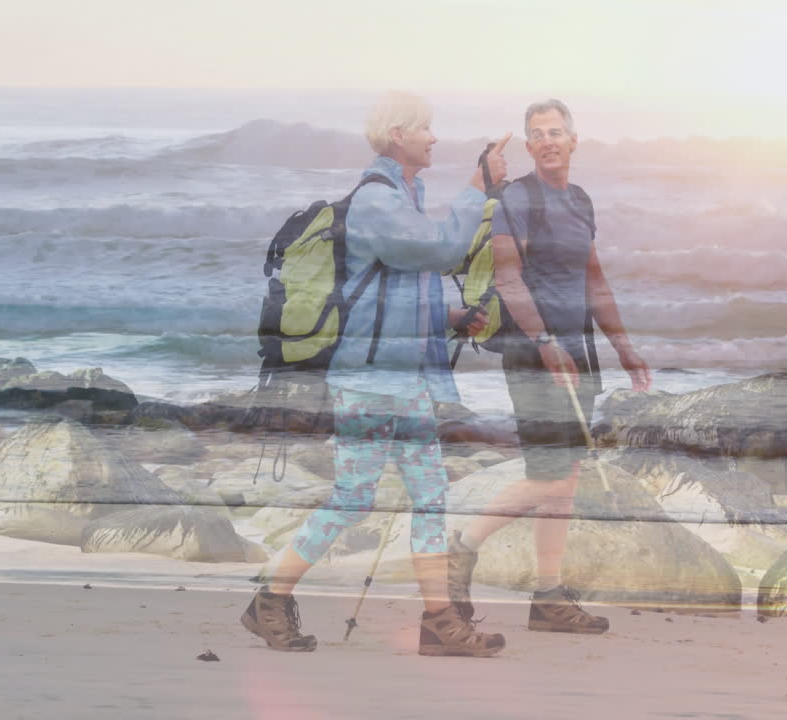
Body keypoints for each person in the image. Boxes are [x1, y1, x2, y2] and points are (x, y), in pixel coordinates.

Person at [241, 91, 510, 656]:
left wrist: (452, 316)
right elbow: (439, 250)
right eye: (426, 129)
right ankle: (269, 599)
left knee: (430, 496)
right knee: (353, 499)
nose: (434, 138)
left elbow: (400, 291)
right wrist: (477, 187)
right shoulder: (376, 202)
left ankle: (440, 622)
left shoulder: (403, 196)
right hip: (366, 383)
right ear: (397, 135)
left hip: (403, 382)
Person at [448, 99, 651, 635]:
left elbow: (595, 281)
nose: (548, 140)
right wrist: (544, 343)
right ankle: (462, 547)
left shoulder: (581, 202)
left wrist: (624, 348)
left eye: (556, 131)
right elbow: (510, 280)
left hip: (577, 354)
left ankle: (547, 597)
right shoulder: (517, 198)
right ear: (530, 146)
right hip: (531, 354)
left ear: (574, 139)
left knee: (565, 478)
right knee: (550, 476)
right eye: (537, 134)